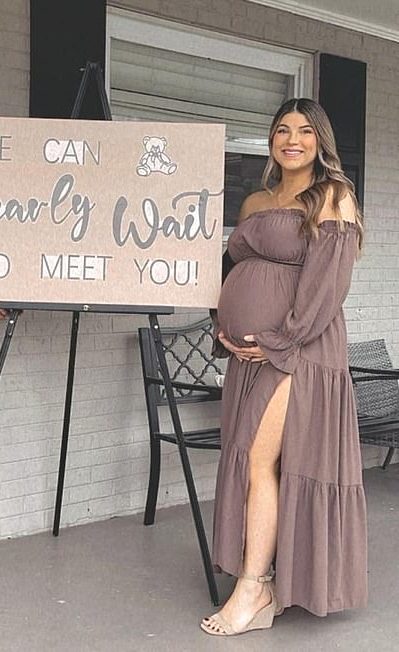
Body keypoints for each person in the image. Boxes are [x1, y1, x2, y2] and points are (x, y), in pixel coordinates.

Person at [201, 98, 367, 636]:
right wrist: (224, 327)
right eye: (280, 130)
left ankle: (254, 589)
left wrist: (279, 340)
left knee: (258, 458)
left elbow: (325, 287)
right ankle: (262, 583)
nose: (290, 139)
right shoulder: (256, 200)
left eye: (303, 131)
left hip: (299, 352)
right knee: (255, 462)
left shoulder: (333, 196)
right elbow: (236, 271)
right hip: (251, 355)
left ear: (321, 140)